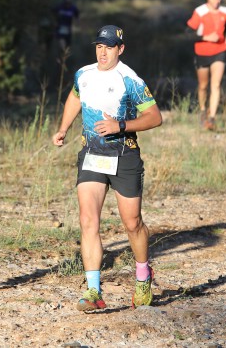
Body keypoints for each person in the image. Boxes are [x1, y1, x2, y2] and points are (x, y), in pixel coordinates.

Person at [52, 25, 162, 311]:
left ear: (120, 49)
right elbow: (75, 96)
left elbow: (154, 116)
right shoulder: (83, 74)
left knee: (132, 223)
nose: (103, 52)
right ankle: (93, 291)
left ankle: (142, 276)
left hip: (124, 156)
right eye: (99, 46)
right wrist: (63, 128)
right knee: (88, 221)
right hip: (91, 154)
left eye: (109, 47)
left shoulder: (130, 80)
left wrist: (121, 125)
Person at [186, 0, 226, 131]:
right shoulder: (200, 12)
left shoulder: (225, 11)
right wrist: (206, 37)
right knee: (203, 86)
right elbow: (188, 32)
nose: (217, 1)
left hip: (219, 51)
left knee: (216, 85)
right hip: (202, 52)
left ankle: (212, 118)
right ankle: (202, 110)